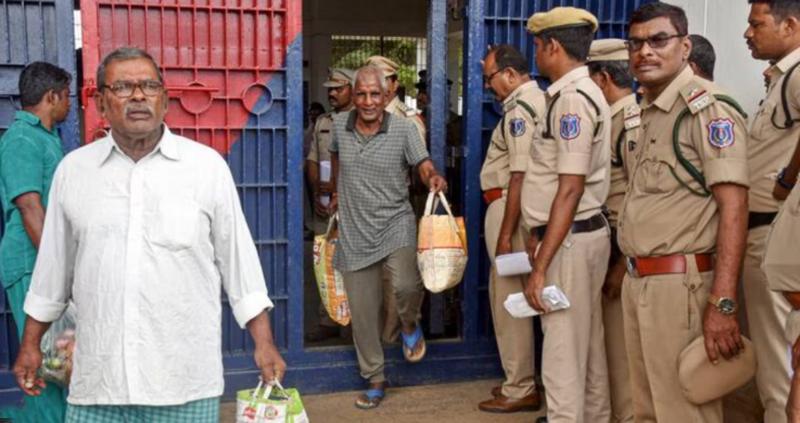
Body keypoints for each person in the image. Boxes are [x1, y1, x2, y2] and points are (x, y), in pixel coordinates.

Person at [11, 47, 286, 422]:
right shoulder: (74, 172)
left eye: (149, 86)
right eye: (123, 87)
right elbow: (52, 272)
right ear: (101, 103)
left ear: (165, 100)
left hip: (184, 384)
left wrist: (264, 342)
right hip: (99, 383)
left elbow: (240, 264)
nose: (138, 96)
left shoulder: (205, 168)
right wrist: (30, 344)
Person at [619, 4, 749, 422]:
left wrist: (723, 303)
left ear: (685, 46)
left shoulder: (708, 109)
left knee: (683, 410)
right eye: (636, 43)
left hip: (681, 286)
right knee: (647, 409)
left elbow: (734, 206)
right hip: (640, 281)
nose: (645, 52)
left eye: (659, 40)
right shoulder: (648, 111)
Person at [328, 65, 447, 410]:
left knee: (407, 285)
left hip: (396, 222)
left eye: (375, 94)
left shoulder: (404, 128)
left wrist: (432, 176)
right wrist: (336, 191)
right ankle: (375, 378)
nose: (368, 101)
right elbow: (335, 158)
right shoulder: (339, 126)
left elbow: (423, 164)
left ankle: (409, 323)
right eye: (362, 94)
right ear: (354, 96)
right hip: (355, 229)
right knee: (364, 313)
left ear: (386, 95)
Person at [522, 7, 612, 423]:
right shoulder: (582, 92)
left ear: (553, 46)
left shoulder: (572, 99)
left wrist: (540, 267)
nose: (536, 55)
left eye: (538, 47)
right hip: (577, 236)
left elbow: (570, 188)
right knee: (587, 349)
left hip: (568, 242)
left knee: (561, 356)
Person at [0, 61, 71, 423]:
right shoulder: (21, 140)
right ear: (51, 97)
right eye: (68, 96)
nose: (70, 104)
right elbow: (29, 207)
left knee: (58, 357)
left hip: (42, 260)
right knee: (43, 358)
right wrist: (56, 268)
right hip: (32, 262)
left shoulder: (46, 138)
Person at [477, 44, 545, 414]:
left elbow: (519, 174)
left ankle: (519, 387)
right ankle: (521, 380)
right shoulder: (538, 101)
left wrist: (505, 233)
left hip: (510, 209)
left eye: (490, 77)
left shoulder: (521, 108)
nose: (488, 85)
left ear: (510, 75)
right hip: (517, 209)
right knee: (520, 294)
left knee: (509, 297)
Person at [745, 1, 800, 421]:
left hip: (774, 232)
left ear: (790, 24)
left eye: (756, 24)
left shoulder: (797, 73)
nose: (748, 33)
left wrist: (786, 180)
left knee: (779, 365)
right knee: (774, 359)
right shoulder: (782, 78)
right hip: (763, 231)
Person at [587, 38, 640, 423]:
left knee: (621, 348)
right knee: (606, 341)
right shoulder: (611, 119)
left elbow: (639, 197)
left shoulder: (630, 123)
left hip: (623, 248)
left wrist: (622, 263)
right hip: (610, 242)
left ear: (603, 79)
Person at [363, 55, 427, 343]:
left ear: (394, 84)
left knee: (396, 282)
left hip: (396, 210)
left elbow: (419, 169)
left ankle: (394, 336)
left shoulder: (407, 121)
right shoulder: (356, 117)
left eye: (382, 79)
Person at [305, 68, 354, 343]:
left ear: (352, 88)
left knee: (352, 263)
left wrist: (339, 189)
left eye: (338, 88)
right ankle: (328, 320)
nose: (332, 93)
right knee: (324, 261)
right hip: (325, 206)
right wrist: (317, 192)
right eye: (330, 89)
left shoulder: (362, 119)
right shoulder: (323, 121)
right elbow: (313, 159)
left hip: (352, 206)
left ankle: (351, 321)